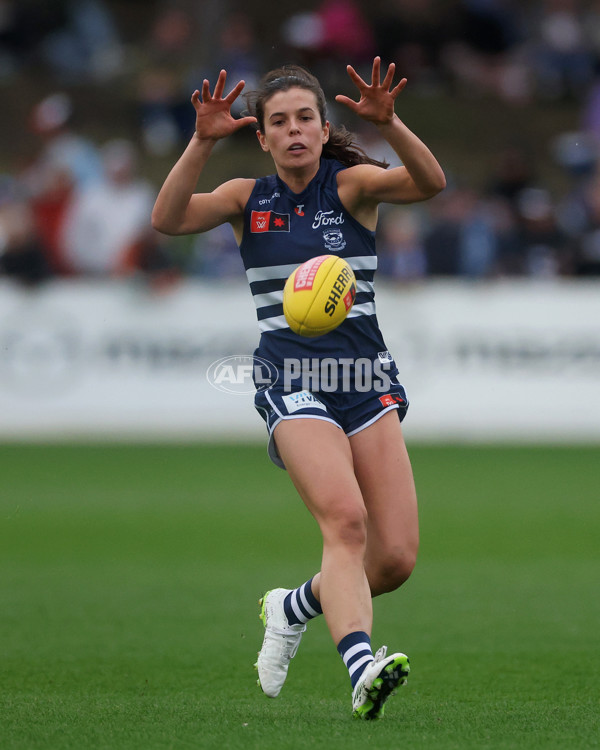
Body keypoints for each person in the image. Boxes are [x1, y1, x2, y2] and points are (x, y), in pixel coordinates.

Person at [152, 56, 446, 719]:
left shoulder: (353, 189)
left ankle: (294, 605)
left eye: (304, 119)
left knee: (395, 557)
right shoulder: (244, 199)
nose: (292, 132)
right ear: (261, 137)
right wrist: (201, 141)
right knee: (345, 523)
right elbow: (168, 220)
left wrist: (392, 122)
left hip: (365, 380)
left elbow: (431, 182)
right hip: (293, 380)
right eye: (277, 122)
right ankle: (362, 667)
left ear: (321, 127)